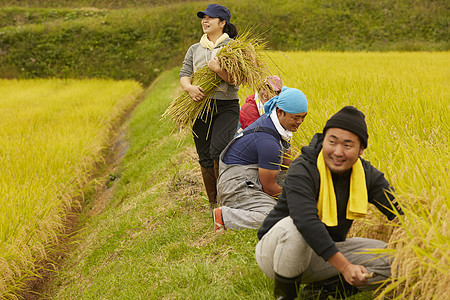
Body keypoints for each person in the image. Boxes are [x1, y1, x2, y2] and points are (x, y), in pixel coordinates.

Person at [255, 106, 403, 299]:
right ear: (324, 140)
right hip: (275, 253)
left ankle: (326, 290)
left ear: (361, 150)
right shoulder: (303, 169)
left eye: (348, 145)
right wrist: (346, 266)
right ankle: (285, 295)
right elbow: (306, 222)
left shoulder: (365, 174)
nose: (338, 152)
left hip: (323, 252)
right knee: (294, 228)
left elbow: (398, 209)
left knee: (394, 259)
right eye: (332, 142)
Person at [212, 86, 308, 231]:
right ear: (280, 112)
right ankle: (226, 216)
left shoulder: (275, 123)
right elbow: (270, 188)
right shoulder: (268, 142)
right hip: (236, 186)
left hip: (250, 177)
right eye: (296, 117)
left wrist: (309, 168)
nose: (300, 121)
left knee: (298, 180)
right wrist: (300, 196)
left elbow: (284, 162)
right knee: (281, 217)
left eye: (303, 117)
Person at [179, 4, 239, 210]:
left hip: (226, 106)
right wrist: (190, 88)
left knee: (218, 150)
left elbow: (236, 79)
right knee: (204, 155)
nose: (205, 21)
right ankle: (214, 206)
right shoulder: (195, 49)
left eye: (210, 18)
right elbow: (185, 74)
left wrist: (218, 69)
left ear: (222, 23)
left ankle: (226, 200)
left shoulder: (233, 48)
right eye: (203, 18)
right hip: (199, 106)